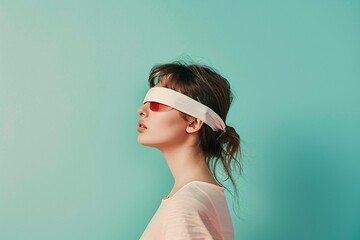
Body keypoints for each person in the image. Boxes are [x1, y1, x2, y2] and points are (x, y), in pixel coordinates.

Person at [137, 61, 242, 240]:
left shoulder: (185, 206)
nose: (142, 110)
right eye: (146, 101)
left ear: (193, 122)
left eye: (157, 103)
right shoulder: (199, 197)